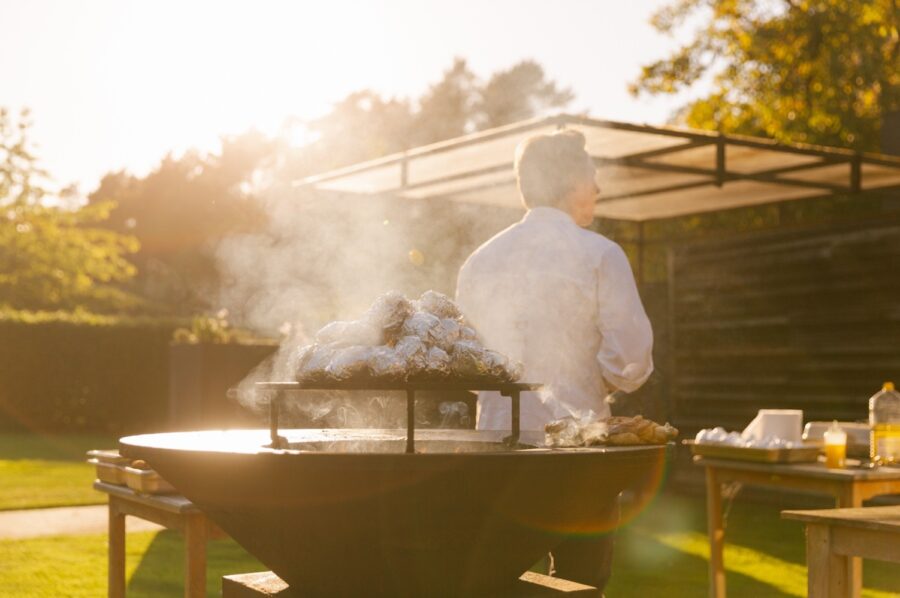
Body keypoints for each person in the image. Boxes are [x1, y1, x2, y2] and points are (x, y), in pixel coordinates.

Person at [455, 129, 654, 592]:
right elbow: (631, 362)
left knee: (494, 585)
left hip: (493, 456)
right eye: (592, 177)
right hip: (576, 458)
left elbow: (467, 366)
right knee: (581, 586)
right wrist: (593, 380)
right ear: (568, 181)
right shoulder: (600, 254)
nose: (598, 189)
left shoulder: (480, 261)